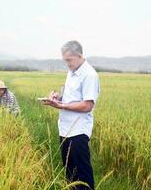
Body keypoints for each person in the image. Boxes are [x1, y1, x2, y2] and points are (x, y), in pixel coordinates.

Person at [41, 40, 100, 190]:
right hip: (65, 129)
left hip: (78, 131)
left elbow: (87, 105)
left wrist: (61, 105)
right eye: (65, 60)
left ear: (79, 55)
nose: (67, 64)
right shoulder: (72, 72)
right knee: (70, 175)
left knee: (82, 176)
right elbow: (71, 96)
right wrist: (58, 97)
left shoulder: (89, 75)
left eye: (69, 60)